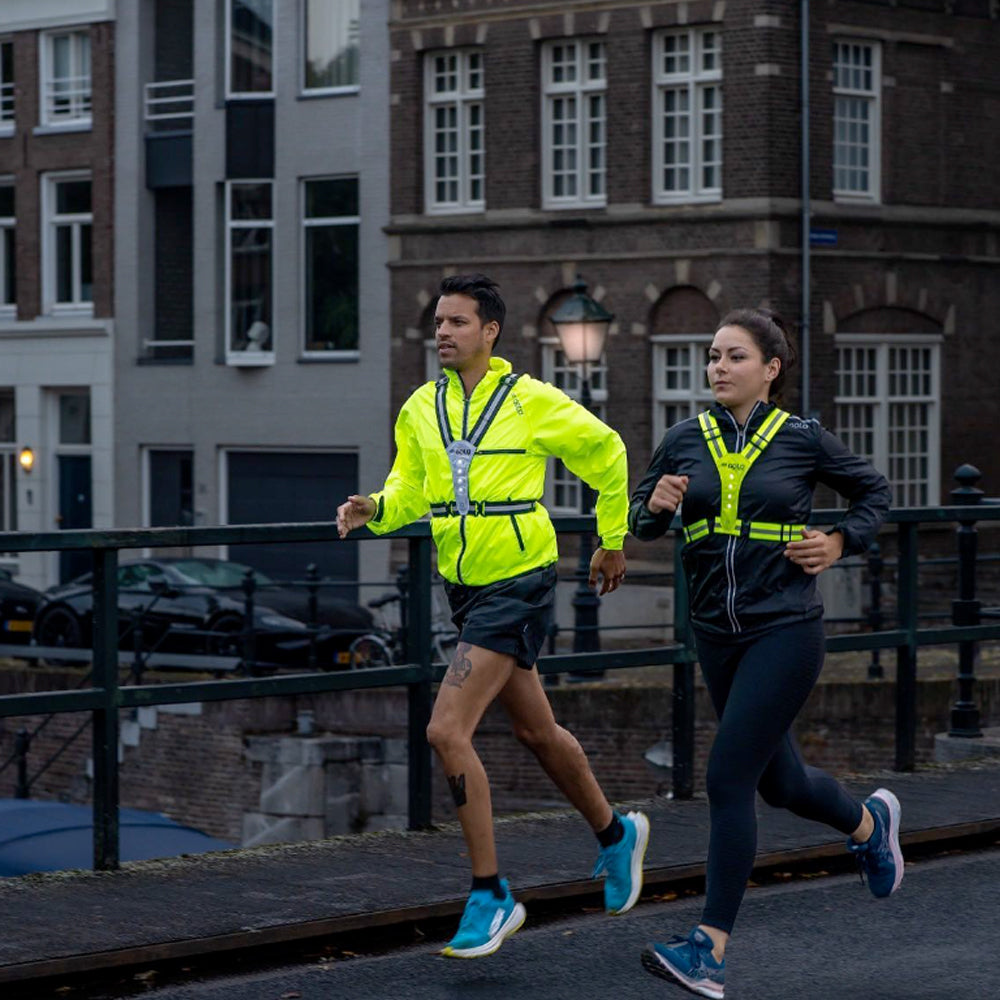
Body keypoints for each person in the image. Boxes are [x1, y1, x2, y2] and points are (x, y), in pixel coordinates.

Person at [336, 273, 649, 959]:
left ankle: (491, 892)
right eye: (437, 324)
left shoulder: (531, 400)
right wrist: (375, 510)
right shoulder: (420, 407)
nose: (442, 334)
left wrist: (612, 538)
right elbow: (412, 488)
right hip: (465, 585)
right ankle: (615, 834)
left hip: (520, 577)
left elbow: (609, 453)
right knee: (537, 731)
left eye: (456, 323)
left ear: (490, 332)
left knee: (446, 729)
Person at [629, 307, 899, 999]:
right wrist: (655, 506)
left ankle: (709, 951)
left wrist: (840, 542)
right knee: (779, 785)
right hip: (716, 637)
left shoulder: (803, 439)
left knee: (727, 778)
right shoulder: (683, 438)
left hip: (785, 629)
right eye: (713, 356)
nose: (717, 367)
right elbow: (640, 521)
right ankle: (870, 825)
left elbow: (875, 491)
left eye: (734, 357)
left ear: (770, 370)